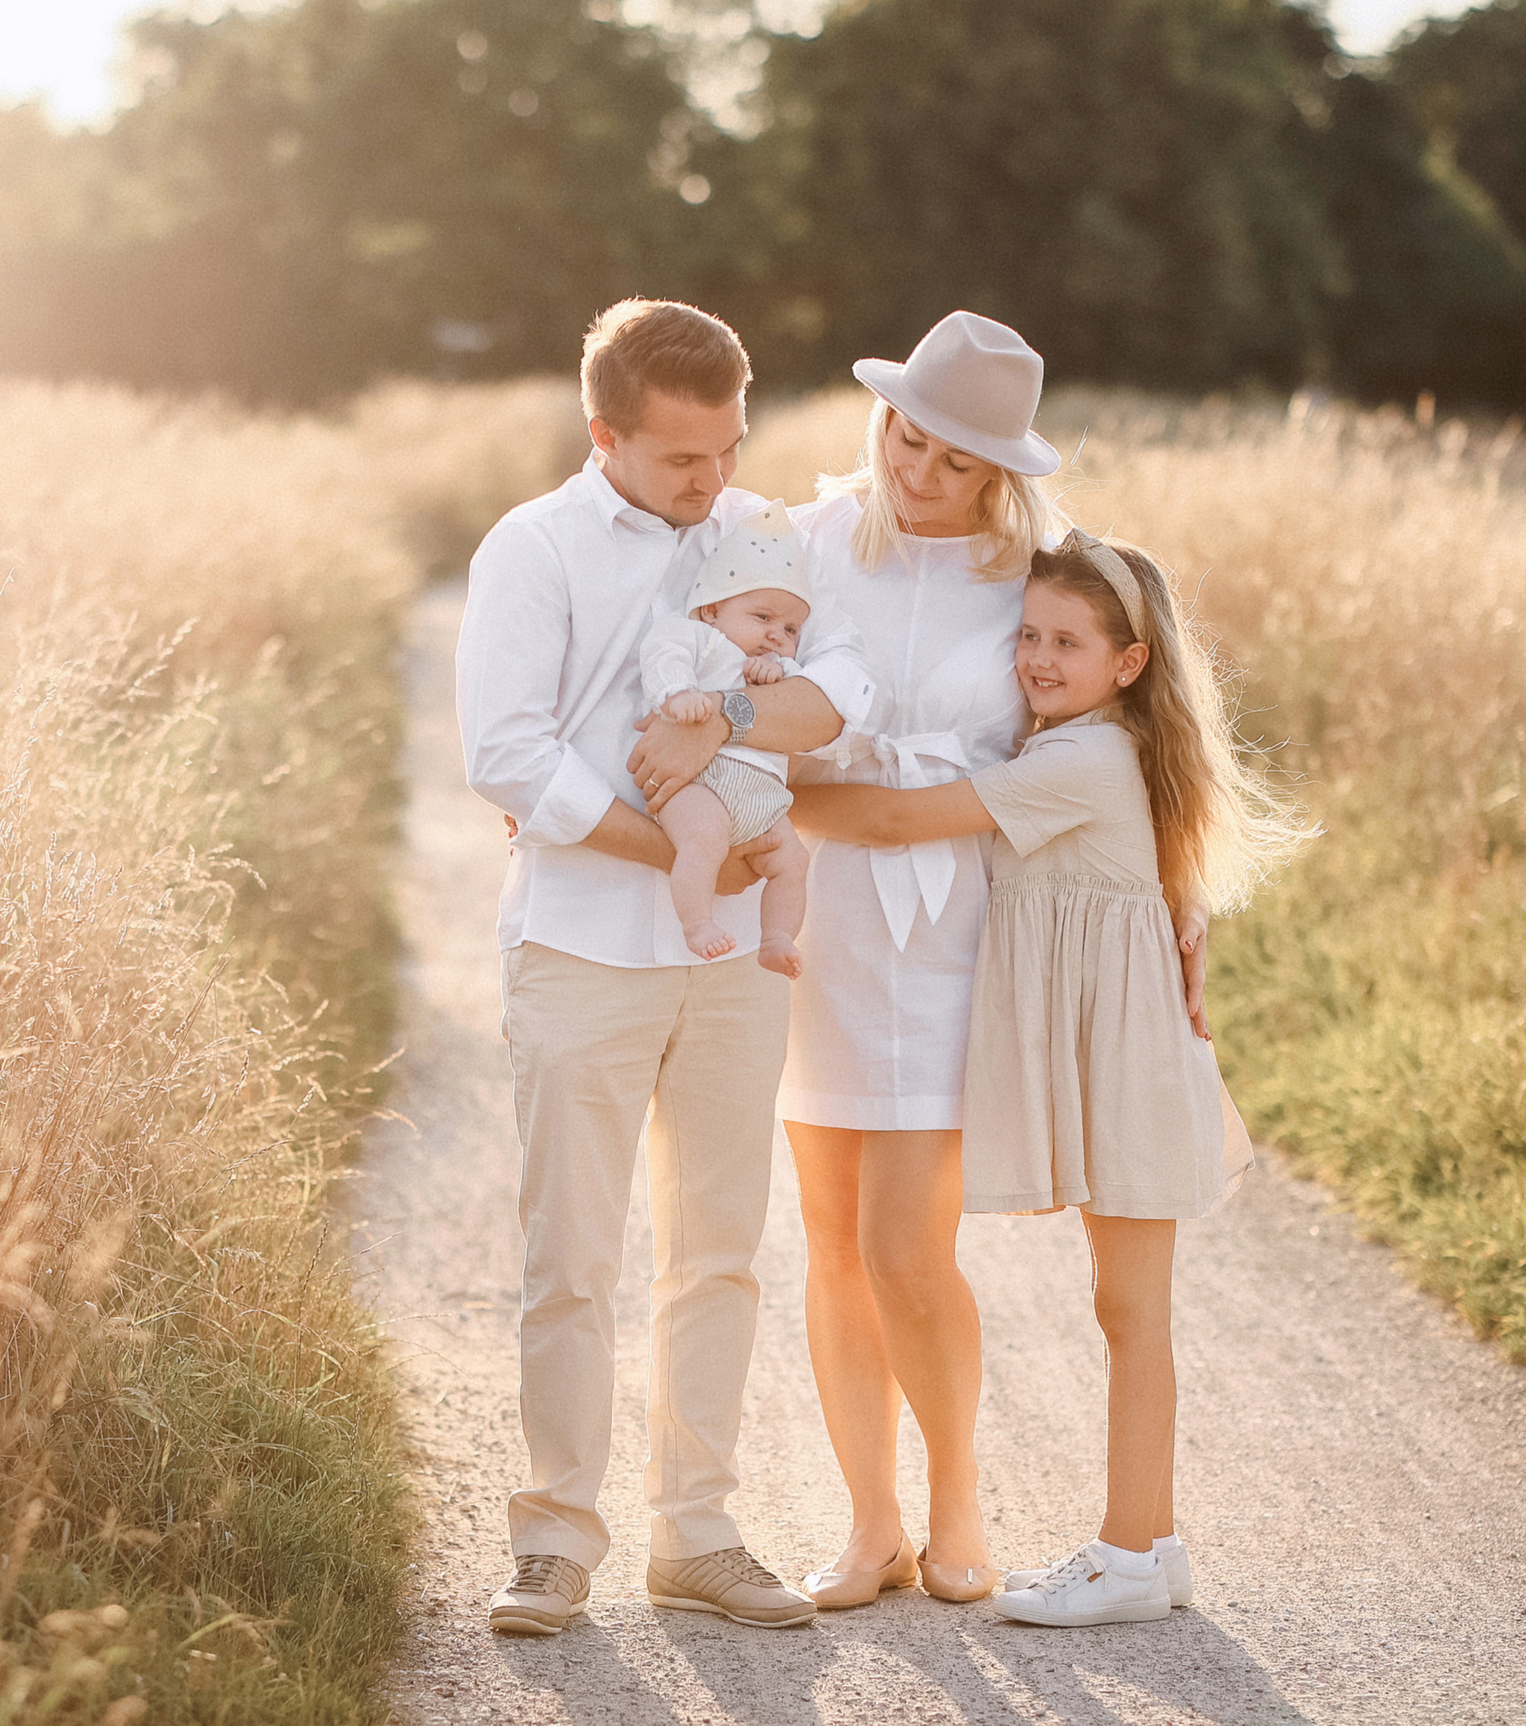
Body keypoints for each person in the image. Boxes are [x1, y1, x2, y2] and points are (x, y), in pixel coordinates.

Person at [790, 530, 1306, 1628]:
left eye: (1065, 641)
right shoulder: (1089, 740)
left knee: (1129, 1308)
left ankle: (1130, 1552)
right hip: (1111, 1048)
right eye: (1025, 634)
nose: (1034, 657)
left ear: (1128, 663)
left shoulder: (1077, 759)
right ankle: (1149, 1549)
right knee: (1128, 1306)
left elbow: (888, 819)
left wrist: (760, 788)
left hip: (1122, 1057)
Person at [455, 299, 874, 1635]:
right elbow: (507, 753)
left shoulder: (769, 534)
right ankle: (554, 1537)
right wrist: (674, 844)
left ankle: (696, 1532)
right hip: (581, 944)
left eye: (729, 447)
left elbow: (848, 694)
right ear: (607, 434)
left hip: (738, 960)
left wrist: (731, 723)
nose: (713, 483)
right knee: (569, 1254)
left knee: (719, 1251)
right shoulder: (533, 546)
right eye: (685, 457)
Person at [775, 310, 1081, 1608]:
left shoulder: (1044, 582)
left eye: (955, 459)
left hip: (957, 925)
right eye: (910, 434)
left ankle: (958, 1503)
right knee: (831, 1240)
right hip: (816, 918)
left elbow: (1088, 758)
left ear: (999, 472)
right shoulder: (803, 542)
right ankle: (868, 1524)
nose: (919, 469)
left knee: (909, 1245)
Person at [639, 501, 816, 975]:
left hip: (764, 800)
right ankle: (697, 923)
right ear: (714, 609)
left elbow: (807, 704)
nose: (777, 635)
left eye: (790, 628)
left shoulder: (785, 670)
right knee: (704, 840)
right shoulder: (699, 639)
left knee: (793, 859)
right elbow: (663, 651)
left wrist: (777, 674)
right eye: (762, 617)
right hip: (702, 786)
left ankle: (777, 937)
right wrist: (677, 694)